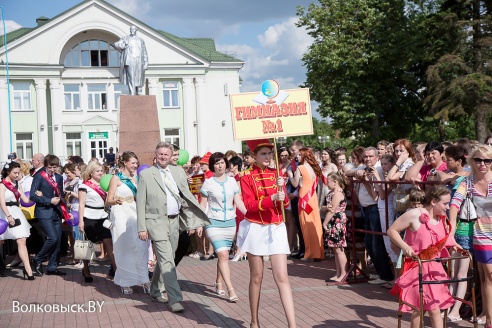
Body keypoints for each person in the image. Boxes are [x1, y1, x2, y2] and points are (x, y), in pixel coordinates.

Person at [136, 142, 209, 313]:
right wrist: (141, 228)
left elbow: (185, 196)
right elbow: (140, 203)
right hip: (156, 223)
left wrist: (190, 220)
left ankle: (154, 290)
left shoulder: (178, 172)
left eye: (166, 154)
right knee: (167, 260)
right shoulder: (147, 175)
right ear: (156, 155)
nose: (163, 157)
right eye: (160, 154)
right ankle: (175, 298)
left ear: (171, 156)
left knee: (166, 260)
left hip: (175, 222)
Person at [237, 139, 296, 328]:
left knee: (282, 276)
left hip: (276, 226)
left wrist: (282, 191)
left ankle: (292, 325)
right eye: (263, 153)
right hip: (256, 227)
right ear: (254, 156)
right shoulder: (246, 176)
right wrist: (271, 198)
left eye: (270, 153)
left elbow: (285, 205)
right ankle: (255, 322)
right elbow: (249, 206)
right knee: (257, 276)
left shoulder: (278, 174)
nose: (268, 157)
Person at [387, 185, 455, 328]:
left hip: (434, 267)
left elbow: (441, 239)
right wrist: (405, 247)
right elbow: (392, 230)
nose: (448, 207)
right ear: (433, 202)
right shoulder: (415, 214)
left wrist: (455, 244)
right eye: (445, 203)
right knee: (427, 308)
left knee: (425, 308)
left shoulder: (441, 217)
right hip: (416, 267)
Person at [449, 144, 492, 327]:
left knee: (486, 276)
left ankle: (486, 313)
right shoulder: (467, 181)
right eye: (479, 160)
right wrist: (451, 230)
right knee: (489, 275)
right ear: (472, 161)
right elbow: (454, 204)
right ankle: (490, 319)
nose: (482, 164)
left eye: (487, 160)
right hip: (482, 233)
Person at [200, 152, 247, 302]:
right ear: (212, 166)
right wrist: (200, 222)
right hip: (213, 222)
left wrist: (249, 214)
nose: (220, 166)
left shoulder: (232, 181)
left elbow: (238, 201)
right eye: (216, 163)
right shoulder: (208, 182)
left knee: (223, 255)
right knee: (223, 255)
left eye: (222, 163)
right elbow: (203, 204)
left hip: (230, 223)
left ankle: (218, 281)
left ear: (226, 164)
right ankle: (231, 290)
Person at [107, 151, 149, 294]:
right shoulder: (116, 178)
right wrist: (116, 201)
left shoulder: (137, 178)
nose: (135, 165)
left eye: (136, 163)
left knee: (140, 246)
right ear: (125, 163)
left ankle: (144, 279)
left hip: (135, 213)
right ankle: (125, 281)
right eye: (133, 163)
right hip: (120, 213)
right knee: (124, 247)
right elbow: (108, 200)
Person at [353, 147, 394, 284]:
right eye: (365, 157)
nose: (367, 159)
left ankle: (386, 276)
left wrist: (370, 179)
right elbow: (346, 172)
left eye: (370, 156)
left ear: (377, 157)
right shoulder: (366, 168)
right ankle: (381, 274)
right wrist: (360, 174)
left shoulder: (379, 169)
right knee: (369, 243)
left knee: (378, 243)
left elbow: (379, 195)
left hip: (378, 208)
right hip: (369, 208)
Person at [30, 154, 70, 276]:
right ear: (46, 165)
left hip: (56, 212)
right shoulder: (39, 177)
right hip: (44, 212)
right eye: (50, 167)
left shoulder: (58, 178)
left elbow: (61, 196)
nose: (52, 169)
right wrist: (48, 200)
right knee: (52, 237)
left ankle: (52, 267)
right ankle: (38, 259)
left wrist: (66, 212)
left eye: (55, 167)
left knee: (57, 240)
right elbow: (32, 195)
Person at [78, 161, 117, 283]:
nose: (100, 173)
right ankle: (86, 269)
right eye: (98, 171)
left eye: (101, 170)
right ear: (91, 172)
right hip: (89, 217)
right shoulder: (84, 186)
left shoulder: (105, 184)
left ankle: (116, 270)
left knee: (109, 243)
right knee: (87, 245)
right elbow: (81, 204)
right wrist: (80, 221)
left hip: (103, 216)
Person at [0, 161, 35, 280]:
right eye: (14, 173)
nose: (17, 175)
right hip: (5, 213)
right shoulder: (2, 185)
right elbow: (2, 203)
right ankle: (1, 266)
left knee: (22, 240)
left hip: (17, 211)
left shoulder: (17, 183)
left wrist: (36, 197)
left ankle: (28, 269)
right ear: (8, 172)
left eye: (18, 172)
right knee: (1, 241)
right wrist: (9, 216)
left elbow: (25, 199)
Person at [289, 147, 325, 260]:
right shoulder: (314, 168)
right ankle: (318, 252)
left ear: (304, 155)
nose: (297, 157)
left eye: (300, 155)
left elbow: (294, 184)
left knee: (306, 226)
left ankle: (309, 253)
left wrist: (290, 174)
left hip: (304, 198)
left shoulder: (300, 167)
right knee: (314, 224)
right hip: (312, 198)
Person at [322, 172, 348, 282]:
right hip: (332, 221)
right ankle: (338, 272)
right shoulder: (330, 193)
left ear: (335, 181)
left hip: (337, 221)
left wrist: (324, 223)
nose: (327, 183)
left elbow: (332, 210)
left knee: (339, 248)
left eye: (328, 181)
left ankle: (343, 273)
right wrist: (325, 208)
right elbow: (324, 207)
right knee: (334, 248)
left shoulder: (338, 193)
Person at [114, 25, 148, 95]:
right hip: (129, 59)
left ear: (136, 30)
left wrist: (146, 62)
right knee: (131, 76)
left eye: (133, 29)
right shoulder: (125, 38)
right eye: (131, 29)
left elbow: (144, 52)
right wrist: (122, 45)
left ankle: (139, 91)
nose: (132, 30)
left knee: (139, 76)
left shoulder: (141, 40)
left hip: (139, 60)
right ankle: (132, 91)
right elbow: (116, 44)